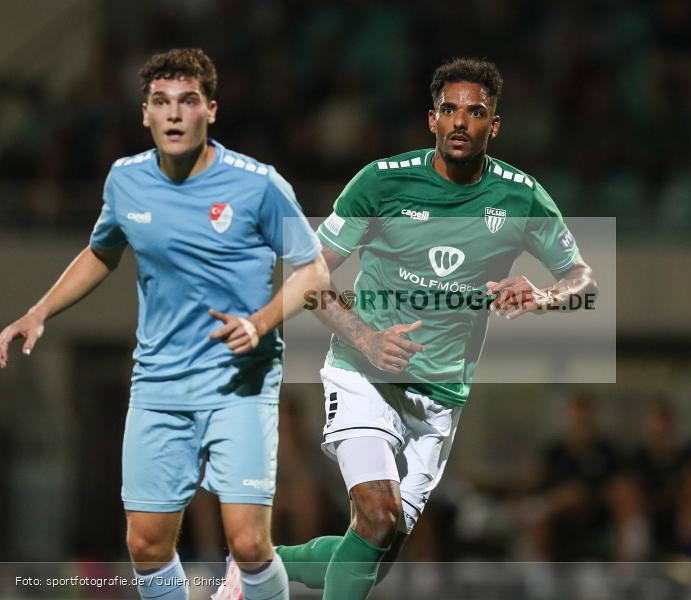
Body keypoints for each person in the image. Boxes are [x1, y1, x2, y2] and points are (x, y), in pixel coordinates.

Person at [218, 57, 598, 599]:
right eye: (449, 110)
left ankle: (256, 567)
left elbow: (581, 277)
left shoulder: (521, 197)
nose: (460, 121)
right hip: (364, 373)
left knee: (376, 546)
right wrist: (365, 337)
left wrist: (545, 295)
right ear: (431, 120)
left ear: (495, 126)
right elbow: (309, 276)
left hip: (441, 395)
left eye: (475, 112)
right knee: (376, 513)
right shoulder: (380, 182)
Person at [0, 48, 329, 600]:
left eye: (188, 101)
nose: (174, 114)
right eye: (161, 102)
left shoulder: (258, 185)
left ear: (211, 111)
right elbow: (101, 251)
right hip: (159, 383)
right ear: (145, 115)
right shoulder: (125, 182)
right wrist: (40, 310)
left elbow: (313, 271)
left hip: (239, 382)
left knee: (248, 544)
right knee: (147, 546)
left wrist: (261, 321)